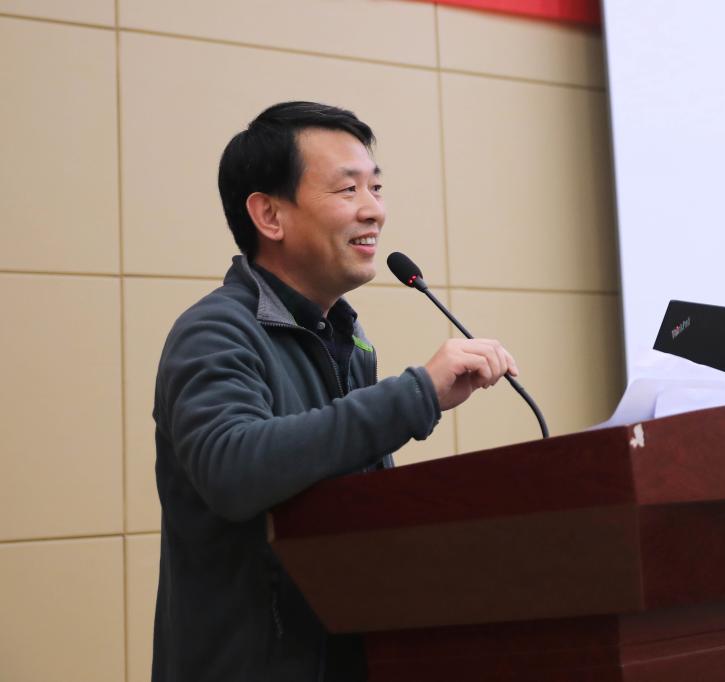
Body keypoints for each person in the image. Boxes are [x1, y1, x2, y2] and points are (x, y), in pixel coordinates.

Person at [151, 101, 518, 681]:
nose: (374, 210)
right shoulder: (215, 331)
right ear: (269, 215)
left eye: (376, 187)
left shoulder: (347, 338)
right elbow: (232, 468)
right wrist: (415, 394)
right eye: (348, 190)